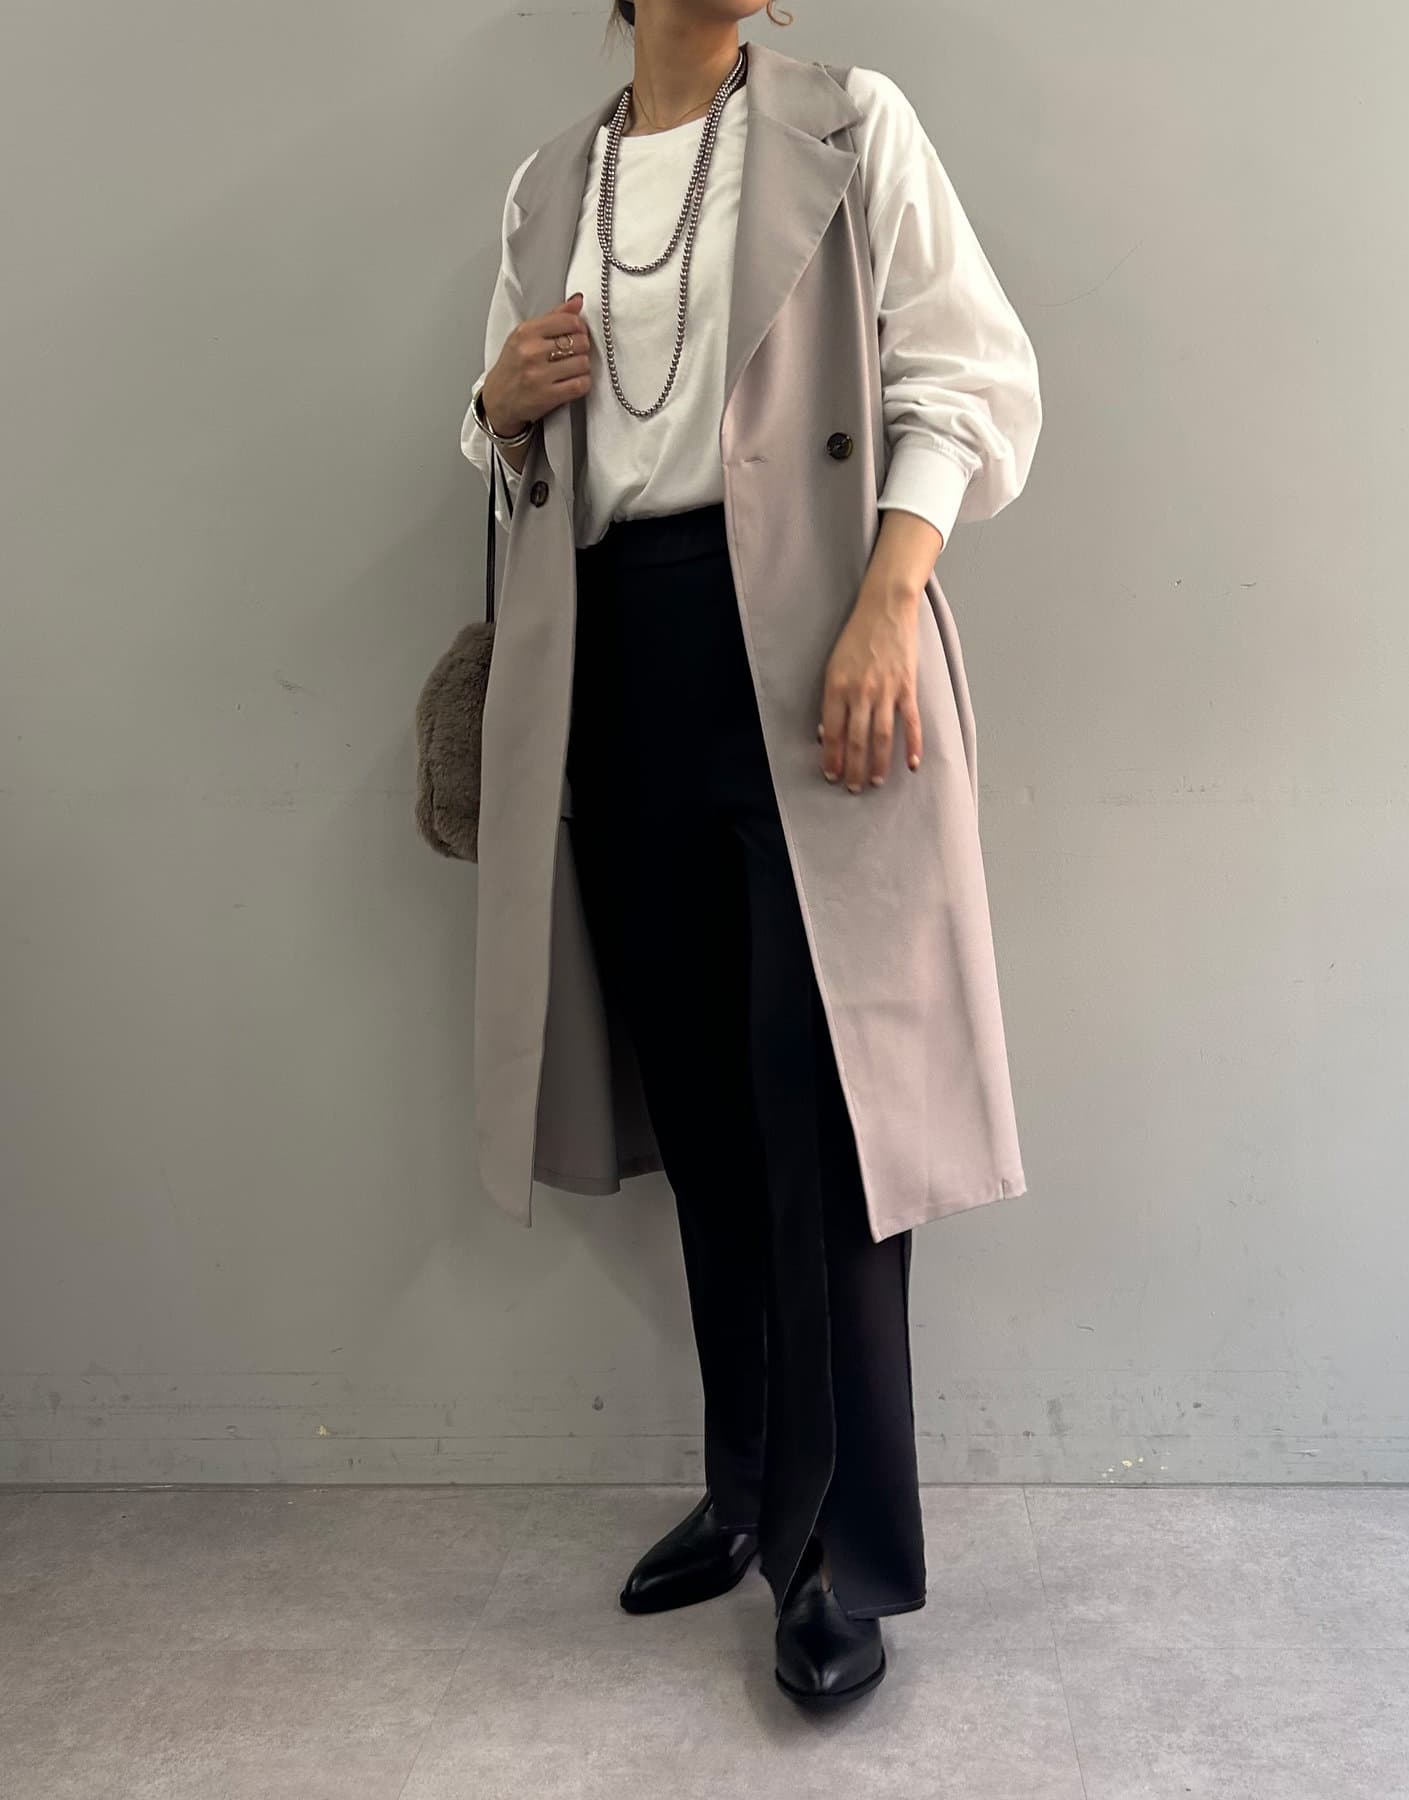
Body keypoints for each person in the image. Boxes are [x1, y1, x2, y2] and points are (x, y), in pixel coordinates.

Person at [460, 0, 1042, 1708]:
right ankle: (743, 1488)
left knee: (833, 1118)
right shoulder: (548, 183)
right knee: (707, 1116)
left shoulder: (852, 123)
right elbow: (504, 443)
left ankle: (838, 1552)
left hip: (810, 649)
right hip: (614, 662)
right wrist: (497, 401)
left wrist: (887, 603)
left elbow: (968, 376)